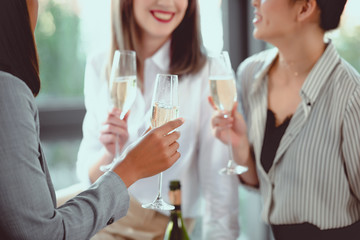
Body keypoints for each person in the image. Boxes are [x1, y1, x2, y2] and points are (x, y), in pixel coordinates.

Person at [0, 0, 184, 239]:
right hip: (119, 207)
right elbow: (42, 230)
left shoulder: (202, 71)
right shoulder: (8, 90)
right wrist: (128, 165)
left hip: (159, 215)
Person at [76, 0, 240, 239]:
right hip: (102, 206)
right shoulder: (100, 63)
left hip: (159, 223)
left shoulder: (208, 71)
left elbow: (220, 188)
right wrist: (109, 153)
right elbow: (86, 175)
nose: (167, 3)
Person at [210, 0, 360, 239]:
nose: (254, 2)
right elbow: (262, 182)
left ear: (304, 8)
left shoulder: (351, 95)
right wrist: (239, 146)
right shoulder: (251, 75)